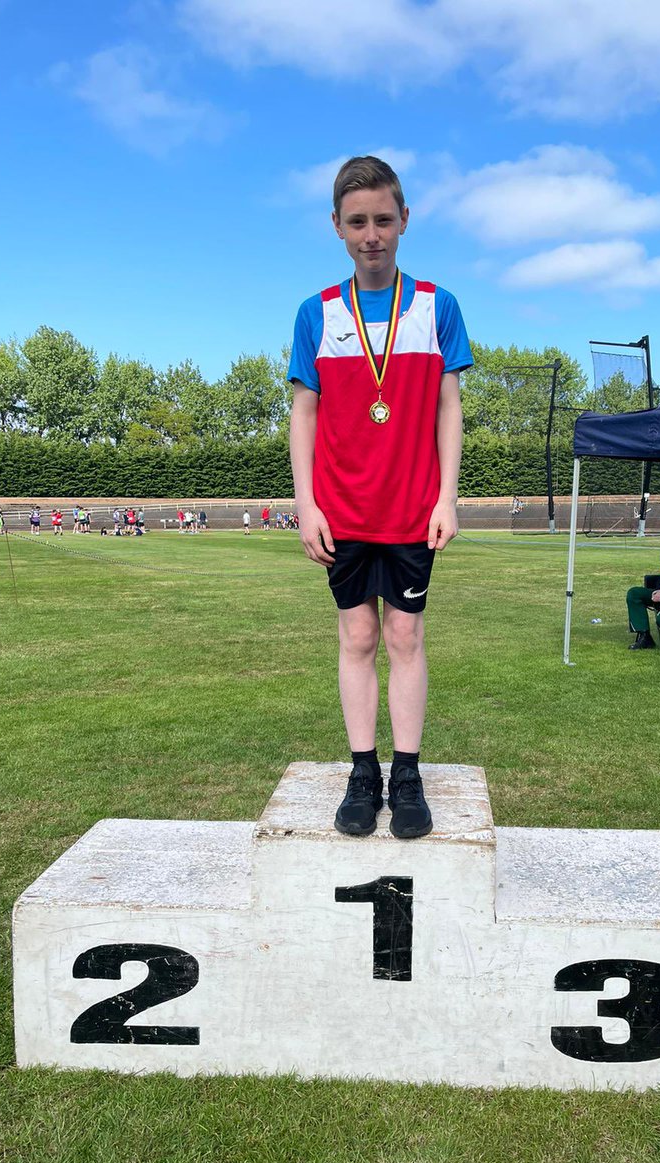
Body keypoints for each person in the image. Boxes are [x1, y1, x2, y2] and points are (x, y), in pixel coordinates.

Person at [288, 155, 472, 839]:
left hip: (411, 504)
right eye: (358, 221)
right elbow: (303, 413)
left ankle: (408, 771)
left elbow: (449, 406)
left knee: (405, 632)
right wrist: (306, 503)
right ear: (337, 226)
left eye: (384, 220)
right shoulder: (318, 312)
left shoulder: (435, 305)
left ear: (404, 222)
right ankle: (362, 770)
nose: (372, 234)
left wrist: (447, 497)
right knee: (358, 633)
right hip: (343, 507)